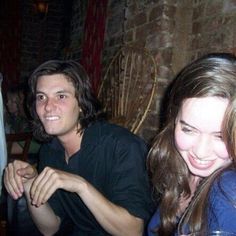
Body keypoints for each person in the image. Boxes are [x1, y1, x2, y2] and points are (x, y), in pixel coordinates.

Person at [4, 60, 153, 236]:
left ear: (81, 103)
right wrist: (30, 184)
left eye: (61, 96)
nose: (48, 107)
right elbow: (50, 228)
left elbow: (133, 231)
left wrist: (80, 185)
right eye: (41, 97)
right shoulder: (50, 151)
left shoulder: (123, 146)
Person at [146, 53, 236, 235]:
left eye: (221, 136)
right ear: (174, 120)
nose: (201, 153)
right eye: (188, 129)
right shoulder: (180, 170)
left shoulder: (227, 191)